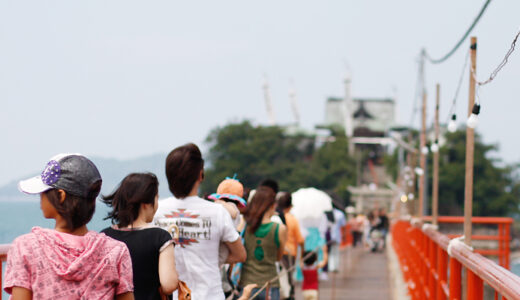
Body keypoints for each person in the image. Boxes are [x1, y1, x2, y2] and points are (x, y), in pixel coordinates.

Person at [4, 153, 134, 300]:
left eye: (44, 192)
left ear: (61, 195)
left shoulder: (25, 248)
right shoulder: (115, 251)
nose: (40, 197)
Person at [153, 143, 246, 300]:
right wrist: (210, 258)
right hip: (211, 295)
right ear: (200, 175)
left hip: (174, 295)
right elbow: (240, 255)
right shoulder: (218, 212)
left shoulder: (157, 212)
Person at [101, 173, 178, 300]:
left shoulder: (104, 236)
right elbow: (168, 285)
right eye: (156, 198)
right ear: (146, 204)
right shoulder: (160, 237)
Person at [239, 186, 288, 300]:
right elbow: (278, 257)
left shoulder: (245, 225)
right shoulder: (280, 229)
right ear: (272, 206)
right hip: (269, 285)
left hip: (247, 285)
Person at [276, 191, 305, 300]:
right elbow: (301, 240)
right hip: (289, 254)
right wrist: (301, 255)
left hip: (275, 252)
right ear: (290, 205)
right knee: (288, 279)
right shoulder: (292, 219)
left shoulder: (274, 217)